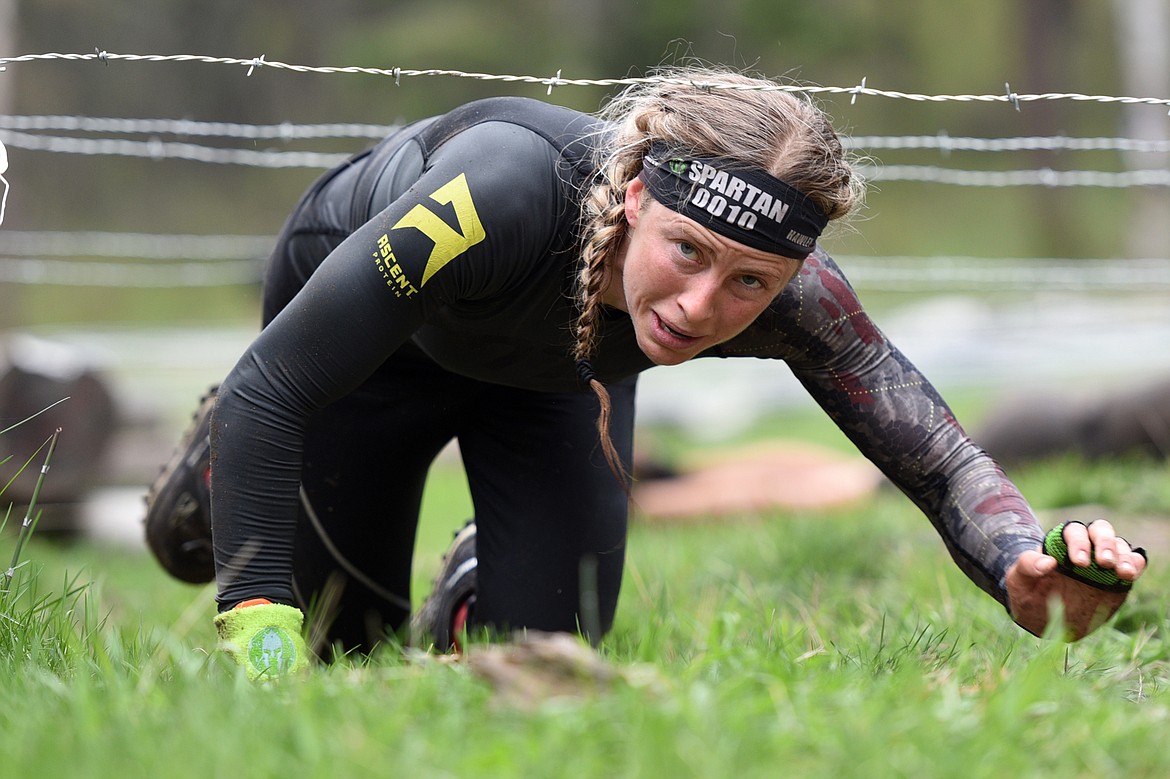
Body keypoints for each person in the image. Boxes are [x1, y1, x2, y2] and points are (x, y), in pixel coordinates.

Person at [144, 66, 1147, 679]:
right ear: (632, 197)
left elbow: (938, 457)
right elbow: (276, 387)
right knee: (331, 652)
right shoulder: (497, 194)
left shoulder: (799, 298)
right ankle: (212, 473)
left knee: (542, 663)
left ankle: (471, 580)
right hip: (368, 358)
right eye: (687, 252)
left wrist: (1017, 555)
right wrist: (257, 621)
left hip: (547, 380)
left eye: (750, 280)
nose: (701, 309)